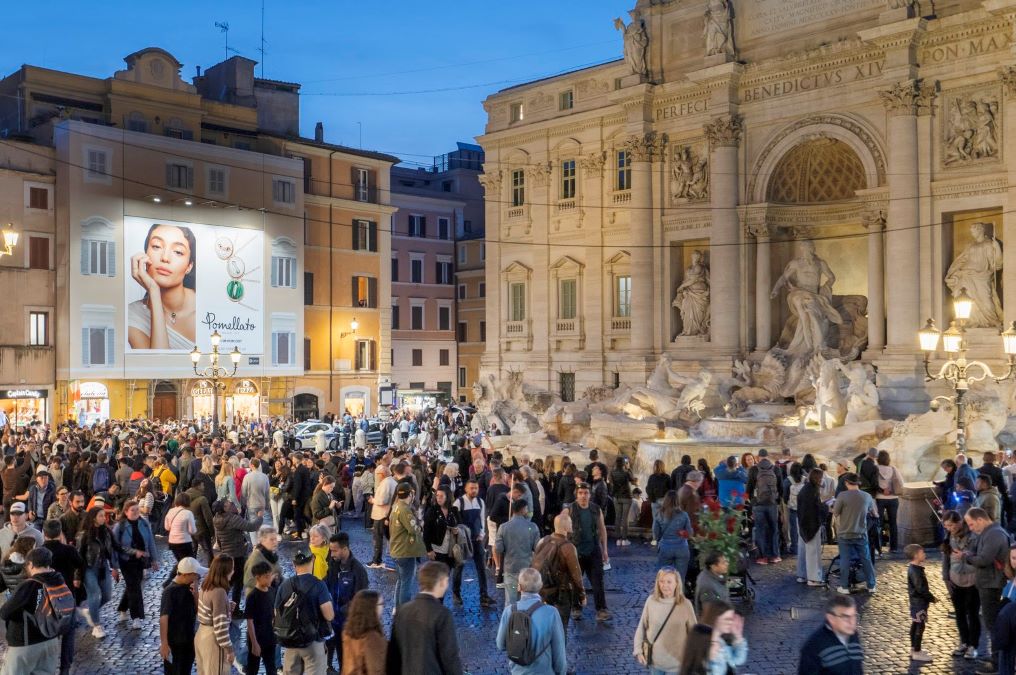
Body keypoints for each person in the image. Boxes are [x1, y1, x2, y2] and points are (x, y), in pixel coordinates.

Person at [127, 222, 197, 349]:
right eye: (157, 246)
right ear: (145, 255)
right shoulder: (133, 314)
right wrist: (153, 291)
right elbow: (156, 363)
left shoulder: (204, 307)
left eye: (178, 252)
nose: (165, 258)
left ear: (189, 266)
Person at [386, 561, 463, 675]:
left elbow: (393, 655)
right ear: (441, 582)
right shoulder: (442, 614)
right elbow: (450, 657)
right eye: (446, 581)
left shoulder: (402, 611)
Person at [0, 547, 64, 674]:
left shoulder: (29, 585)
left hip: (26, 643)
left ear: (30, 564)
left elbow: (5, 612)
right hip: (51, 641)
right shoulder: (58, 581)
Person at [496, 567, 567, 675]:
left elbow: (500, 645)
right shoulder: (551, 613)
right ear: (540, 586)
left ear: (519, 587)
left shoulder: (509, 611)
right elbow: (559, 651)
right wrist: (561, 672)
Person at [274, 548, 334, 674]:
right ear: (312, 559)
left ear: (293, 564)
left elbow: (276, 613)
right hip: (313, 641)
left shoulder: (285, 585)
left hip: (291, 642)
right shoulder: (319, 585)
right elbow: (328, 615)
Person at [963, 507, 1010, 669]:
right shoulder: (988, 533)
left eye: (971, 524)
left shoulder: (994, 534)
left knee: (993, 623)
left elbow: (983, 559)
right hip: (988, 582)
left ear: (980, 520)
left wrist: (968, 557)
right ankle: (997, 658)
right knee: (992, 622)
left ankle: (998, 661)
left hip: (992, 583)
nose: (971, 528)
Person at [633, 567, 697, 674]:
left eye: (669, 582)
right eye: (661, 581)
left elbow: (694, 633)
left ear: (677, 584)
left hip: (677, 665)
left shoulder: (685, 605)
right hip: (655, 663)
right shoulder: (651, 601)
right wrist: (638, 650)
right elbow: (641, 626)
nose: (665, 585)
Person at [532, 513, 585, 641]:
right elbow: (576, 574)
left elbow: (534, 561)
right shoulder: (568, 547)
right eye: (570, 523)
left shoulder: (543, 541)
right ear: (566, 527)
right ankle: (559, 658)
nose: (572, 525)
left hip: (542, 591)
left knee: (544, 627)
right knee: (560, 629)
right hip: (561, 594)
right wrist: (581, 595)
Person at [42, 519, 84, 675]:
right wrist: (77, 577)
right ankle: (65, 668)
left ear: (44, 534)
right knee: (69, 631)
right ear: (59, 533)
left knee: (48, 631)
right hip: (67, 594)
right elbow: (80, 563)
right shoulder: (69, 550)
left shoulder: (40, 551)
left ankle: (49, 665)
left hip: (47, 596)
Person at [564, 482, 610, 621]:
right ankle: (576, 608)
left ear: (590, 495)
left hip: (593, 549)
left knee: (598, 581)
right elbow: (562, 529)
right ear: (576, 495)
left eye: (586, 493)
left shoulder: (596, 509)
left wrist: (605, 550)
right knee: (576, 581)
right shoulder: (570, 509)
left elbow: (602, 529)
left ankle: (601, 609)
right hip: (576, 550)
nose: (583, 496)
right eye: (581, 493)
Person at [325, 532, 369, 674]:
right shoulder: (333, 564)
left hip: (349, 624)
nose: (331, 554)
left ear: (345, 549)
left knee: (348, 660)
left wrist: (341, 611)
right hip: (334, 622)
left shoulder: (358, 571)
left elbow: (360, 600)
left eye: (334, 550)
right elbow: (327, 584)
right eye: (330, 550)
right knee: (337, 652)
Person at [76, 504, 122, 638]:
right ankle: (97, 625)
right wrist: (77, 576)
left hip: (103, 567)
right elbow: (79, 556)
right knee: (94, 594)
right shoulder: (83, 535)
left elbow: (114, 548)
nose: (104, 518)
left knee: (107, 595)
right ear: (93, 518)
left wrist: (115, 567)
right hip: (88, 568)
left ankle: (91, 610)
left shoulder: (107, 532)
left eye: (104, 515)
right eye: (101, 516)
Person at [112, 499, 158, 629]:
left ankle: (122, 607)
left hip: (140, 561)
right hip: (126, 561)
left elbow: (151, 542)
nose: (136, 512)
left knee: (133, 585)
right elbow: (115, 547)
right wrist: (114, 567)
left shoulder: (143, 524)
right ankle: (136, 617)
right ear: (126, 512)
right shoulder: (119, 526)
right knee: (134, 587)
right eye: (133, 510)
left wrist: (154, 559)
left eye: (137, 509)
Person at [942, 510, 981, 661]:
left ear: (959, 522)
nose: (949, 528)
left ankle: (973, 645)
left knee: (972, 614)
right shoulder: (949, 536)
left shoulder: (973, 535)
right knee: (959, 614)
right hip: (955, 579)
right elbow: (945, 557)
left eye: (951, 525)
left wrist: (966, 555)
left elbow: (980, 556)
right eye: (946, 526)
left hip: (972, 580)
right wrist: (946, 577)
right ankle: (964, 642)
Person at [160, 556, 208, 675]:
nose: (198, 577)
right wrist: (164, 644)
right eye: (196, 575)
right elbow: (163, 618)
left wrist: (196, 594)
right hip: (175, 643)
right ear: (187, 574)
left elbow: (197, 611)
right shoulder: (170, 592)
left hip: (188, 639)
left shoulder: (189, 588)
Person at [831, 473, 877, 594]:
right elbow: (874, 513)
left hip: (844, 533)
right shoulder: (867, 496)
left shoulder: (842, 495)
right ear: (858, 483)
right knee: (866, 559)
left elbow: (835, 513)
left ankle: (844, 587)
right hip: (861, 533)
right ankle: (871, 585)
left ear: (846, 483)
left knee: (845, 560)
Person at [212, 499, 262, 607]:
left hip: (227, 553)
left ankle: (220, 603)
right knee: (238, 582)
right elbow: (251, 527)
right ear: (225, 508)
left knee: (228, 581)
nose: (231, 504)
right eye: (228, 504)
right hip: (237, 554)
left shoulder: (216, 518)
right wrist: (260, 517)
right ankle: (234, 608)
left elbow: (218, 538)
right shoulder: (233, 519)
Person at [453, 479, 495, 607]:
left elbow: (482, 520)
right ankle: (456, 594)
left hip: (477, 539)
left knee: (481, 568)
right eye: (471, 488)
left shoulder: (480, 502)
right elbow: (454, 521)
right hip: (463, 541)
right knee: (459, 567)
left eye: (476, 488)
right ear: (466, 489)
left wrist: (482, 534)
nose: (474, 490)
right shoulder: (459, 503)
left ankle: (484, 595)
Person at [797, 595, 864, 674]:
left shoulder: (853, 635)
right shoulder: (813, 646)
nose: (852, 622)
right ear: (831, 618)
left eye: (854, 616)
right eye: (846, 617)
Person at [496, 498, 541, 605]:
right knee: (527, 601)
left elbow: (499, 549)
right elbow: (538, 548)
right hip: (527, 570)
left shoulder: (503, 527)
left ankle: (511, 620)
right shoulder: (532, 527)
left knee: (511, 602)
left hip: (510, 570)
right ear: (523, 509)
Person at [195, 555, 235, 674]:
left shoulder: (205, 585)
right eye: (232, 568)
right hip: (213, 642)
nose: (233, 571)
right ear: (225, 571)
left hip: (202, 634)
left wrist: (227, 606)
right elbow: (220, 627)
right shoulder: (219, 592)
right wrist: (229, 649)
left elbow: (208, 610)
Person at [389, 483, 426, 607]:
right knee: (406, 583)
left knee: (401, 581)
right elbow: (413, 529)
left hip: (396, 550)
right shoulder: (405, 509)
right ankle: (404, 610)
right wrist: (421, 525)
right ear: (410, 494)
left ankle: (397, 608)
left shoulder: (396, 506)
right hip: (405, 551)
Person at [341, 590, 387, 675]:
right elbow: (376, 670)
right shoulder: (372, 638)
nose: (383, 607)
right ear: (371, 608)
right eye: (380, 604)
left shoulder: (348, 632)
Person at [245, 561, 278, 675]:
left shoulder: (272, 591)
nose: (270, 579)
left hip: (270, 637)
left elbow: (274, 612)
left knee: (271, 669)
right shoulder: (252, 597)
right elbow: (250, 621)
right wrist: (254, 643)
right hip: (257, 639)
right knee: (253, 669)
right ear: (258, 577)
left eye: (270, 575)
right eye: (266, 577)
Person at [905, 543, 936, 662]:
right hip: (919, 603)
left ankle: (914, 649)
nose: (925, 554)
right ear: (916, 555)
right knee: (920, 626)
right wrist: (931, 597)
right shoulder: (916, 571)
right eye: (923, 552)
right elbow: (921, 589)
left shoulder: (913, 568)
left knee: (915, 624)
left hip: (916, 603)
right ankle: (917, 651)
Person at [796, 468, 827, 586]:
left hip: (803, 524)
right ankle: (814, 578)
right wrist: (825, 507)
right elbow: (816, 508)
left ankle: (802, 575)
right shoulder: (813, 491)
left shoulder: (805, 489)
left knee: (803, 551)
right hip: (811, 525)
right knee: (813, 552)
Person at [750, 451, 781, 565]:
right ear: (767, 457)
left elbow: (749, 488)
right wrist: (776, 501)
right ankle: (775, 555)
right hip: (772, 504)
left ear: (758, 457)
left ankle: (762, 557)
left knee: (760, 530)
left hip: (758, 504)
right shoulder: (776, 469)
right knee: (774, 529)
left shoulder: (754, 469)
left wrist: (753, 502)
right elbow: (780, 487)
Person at [700, 601, 748, 673]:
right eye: (727, 619)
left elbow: (736, 660)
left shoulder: (720, 642)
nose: (731, 623)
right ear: (715, 619)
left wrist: (738, 636)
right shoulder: (707, 644)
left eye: (731, 619)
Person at [653, 490, 692, 580]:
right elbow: (689, 532)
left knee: (664, 577)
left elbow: (656, 533)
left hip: (665, 547)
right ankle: (679, 593)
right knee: (680, 578)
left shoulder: (659, 514)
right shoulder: (684, 515)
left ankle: (665, 593)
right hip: (682, 547)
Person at [367, 464, 397, 569]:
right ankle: (388, 561)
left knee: (378, 538)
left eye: (377, 474)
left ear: (381, 474)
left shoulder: (386, 483)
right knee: (388, 538)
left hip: (381, 515)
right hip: (386, 514)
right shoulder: (392, 481)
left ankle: (377, 560)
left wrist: (372, 500)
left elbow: (382, 500)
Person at [243, 526, 282, 596]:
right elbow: (248, 581)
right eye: (271, 539)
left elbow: (278, 573)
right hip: (258, 598)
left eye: (276, 539)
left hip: (271, 595)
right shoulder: (256, 557)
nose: (275, 542)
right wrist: (268, 580)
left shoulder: (272, 554)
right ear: (262, 540)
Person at [694, 551, 730, 616]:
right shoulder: (707, 586)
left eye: (726, 561)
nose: (727, 564)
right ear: (713, 566)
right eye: (723, 563)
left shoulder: (717, 576)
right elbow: (709, 614)